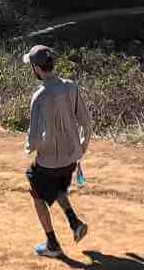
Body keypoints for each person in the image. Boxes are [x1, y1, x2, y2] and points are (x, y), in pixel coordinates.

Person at [22, 44, 92, 258]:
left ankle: (52, 244)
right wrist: (81, 147)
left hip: (50, 161)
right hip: (72, 158)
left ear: (36, 68)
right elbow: (86, 123)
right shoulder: (71, 86)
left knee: (35, 188)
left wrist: (28, 149)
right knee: (55, 185)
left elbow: (33, 139)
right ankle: (74, 222)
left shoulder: (39, 97)